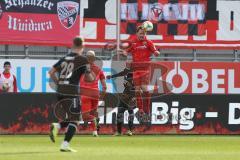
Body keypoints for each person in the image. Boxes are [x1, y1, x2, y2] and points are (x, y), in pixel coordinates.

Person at [48, 36, 95, 152]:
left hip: (60, 91)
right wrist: (90, 74)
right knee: (76, 119)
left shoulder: (64, 58)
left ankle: (57, 126)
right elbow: (89, 79)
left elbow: (51, 72)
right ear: (82, 46)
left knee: (71, 117)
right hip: (71, 92)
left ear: (73, 45)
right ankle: (64, 145)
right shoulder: (82, 60)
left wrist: (59, 83)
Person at [120, 25, 160, 121]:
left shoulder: (149, 42)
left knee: (144, 89)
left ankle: (147, 109)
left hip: (145, 69)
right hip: (136, 70)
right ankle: (141, 109)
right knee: (137, 90)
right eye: (141, 33)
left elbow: (155, 51)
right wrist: (124, 53)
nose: (142, 35)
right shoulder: (133, 43)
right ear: (137, 33)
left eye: (144, 33)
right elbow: (126, 51)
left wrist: (156, 52)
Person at [80, 50, 107, 137]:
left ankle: (94, 125)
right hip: (95, 93)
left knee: (86, 116)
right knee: (93, 113)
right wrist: (102, 94)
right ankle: (95, 132)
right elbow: (104, 86)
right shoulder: (99, 69)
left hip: (85, 93)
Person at [107, 62, 135, 136]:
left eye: (127, 65)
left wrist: (134, 96)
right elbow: (121, 73)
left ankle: (130, 131)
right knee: (120, 112)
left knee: (130, 112)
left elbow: (138, 87)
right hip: (124, 95)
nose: (126, 67)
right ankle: (119, 132)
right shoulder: (126, 72)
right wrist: (112, 76)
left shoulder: (135, 75)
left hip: (131, 96)